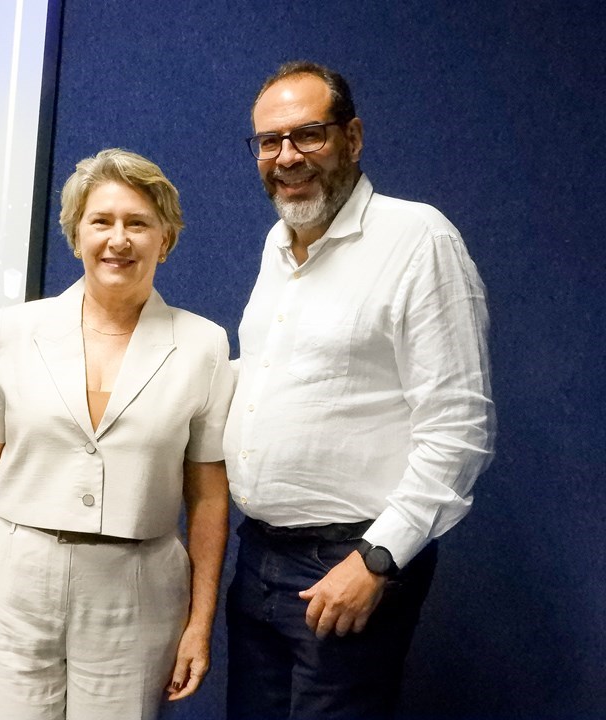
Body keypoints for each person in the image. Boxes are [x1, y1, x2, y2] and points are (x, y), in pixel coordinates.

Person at [223, 61, 496, 719]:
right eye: (270, 141)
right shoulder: (278, 246)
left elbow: (460, 427)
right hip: (258, 558)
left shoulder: (417, 239)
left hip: (350, 563)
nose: (287, 157)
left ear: (352, 137)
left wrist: (377, 559)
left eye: (307, 134)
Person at [0, 148, 234, 720]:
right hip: (12, 583)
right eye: (102, 221)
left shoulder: (204, 346)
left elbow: (210, 496)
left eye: (138, 223)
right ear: (75, 236)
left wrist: (199, 622)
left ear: (165, 239)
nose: (118, 239)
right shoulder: (17, 329)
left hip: (139, 591)